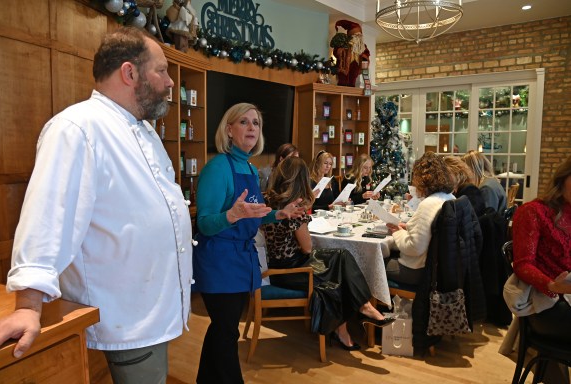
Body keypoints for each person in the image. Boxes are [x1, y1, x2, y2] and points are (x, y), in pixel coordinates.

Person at [0, 27, 191, 384]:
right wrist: (28, 307)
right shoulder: (77, 127)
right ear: (130, 73)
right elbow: (48, 217)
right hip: (123, 314)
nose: (170, 83)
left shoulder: (145, 133)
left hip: (153, 306)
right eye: (162, 70)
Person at [192, 103, 305, 384]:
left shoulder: (251, 170)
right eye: (244, 122)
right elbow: (205, 223)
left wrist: (279, 214)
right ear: (229, 130)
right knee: (226, 329)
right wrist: (231, 215)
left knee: (224, 329)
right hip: (218, 261)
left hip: (242, 260)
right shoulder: (217, 168)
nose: (252, 128)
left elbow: (251, 217)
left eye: (256, 123)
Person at [263, 157, 394, 351]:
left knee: (342, 256)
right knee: (339, 270)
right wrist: (306, 214)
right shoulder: (293, 208)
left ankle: (362, 311)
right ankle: (355, 317)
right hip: (289, 271)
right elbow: (307, 248)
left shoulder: (269, 199)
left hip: (283, 263)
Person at [512, 154, 571, 342]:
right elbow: (522, 265)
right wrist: (552, 285)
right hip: (548, 305)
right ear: (563, 178)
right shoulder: (533, 212)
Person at [386, 152, 456, 285]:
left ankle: (373, 304)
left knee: (372, 263)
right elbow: (430, 231)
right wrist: (409, 228)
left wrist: (397, 232)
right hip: (442, 269)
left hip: (418, 270)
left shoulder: (429, 204)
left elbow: (414, 248)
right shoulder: (450, 198)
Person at [462, 150, 507, 214]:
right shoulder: (491, 180)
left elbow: (487, 218)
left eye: (464, 170)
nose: (464, 174)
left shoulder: (486, 188)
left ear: (472, 169)